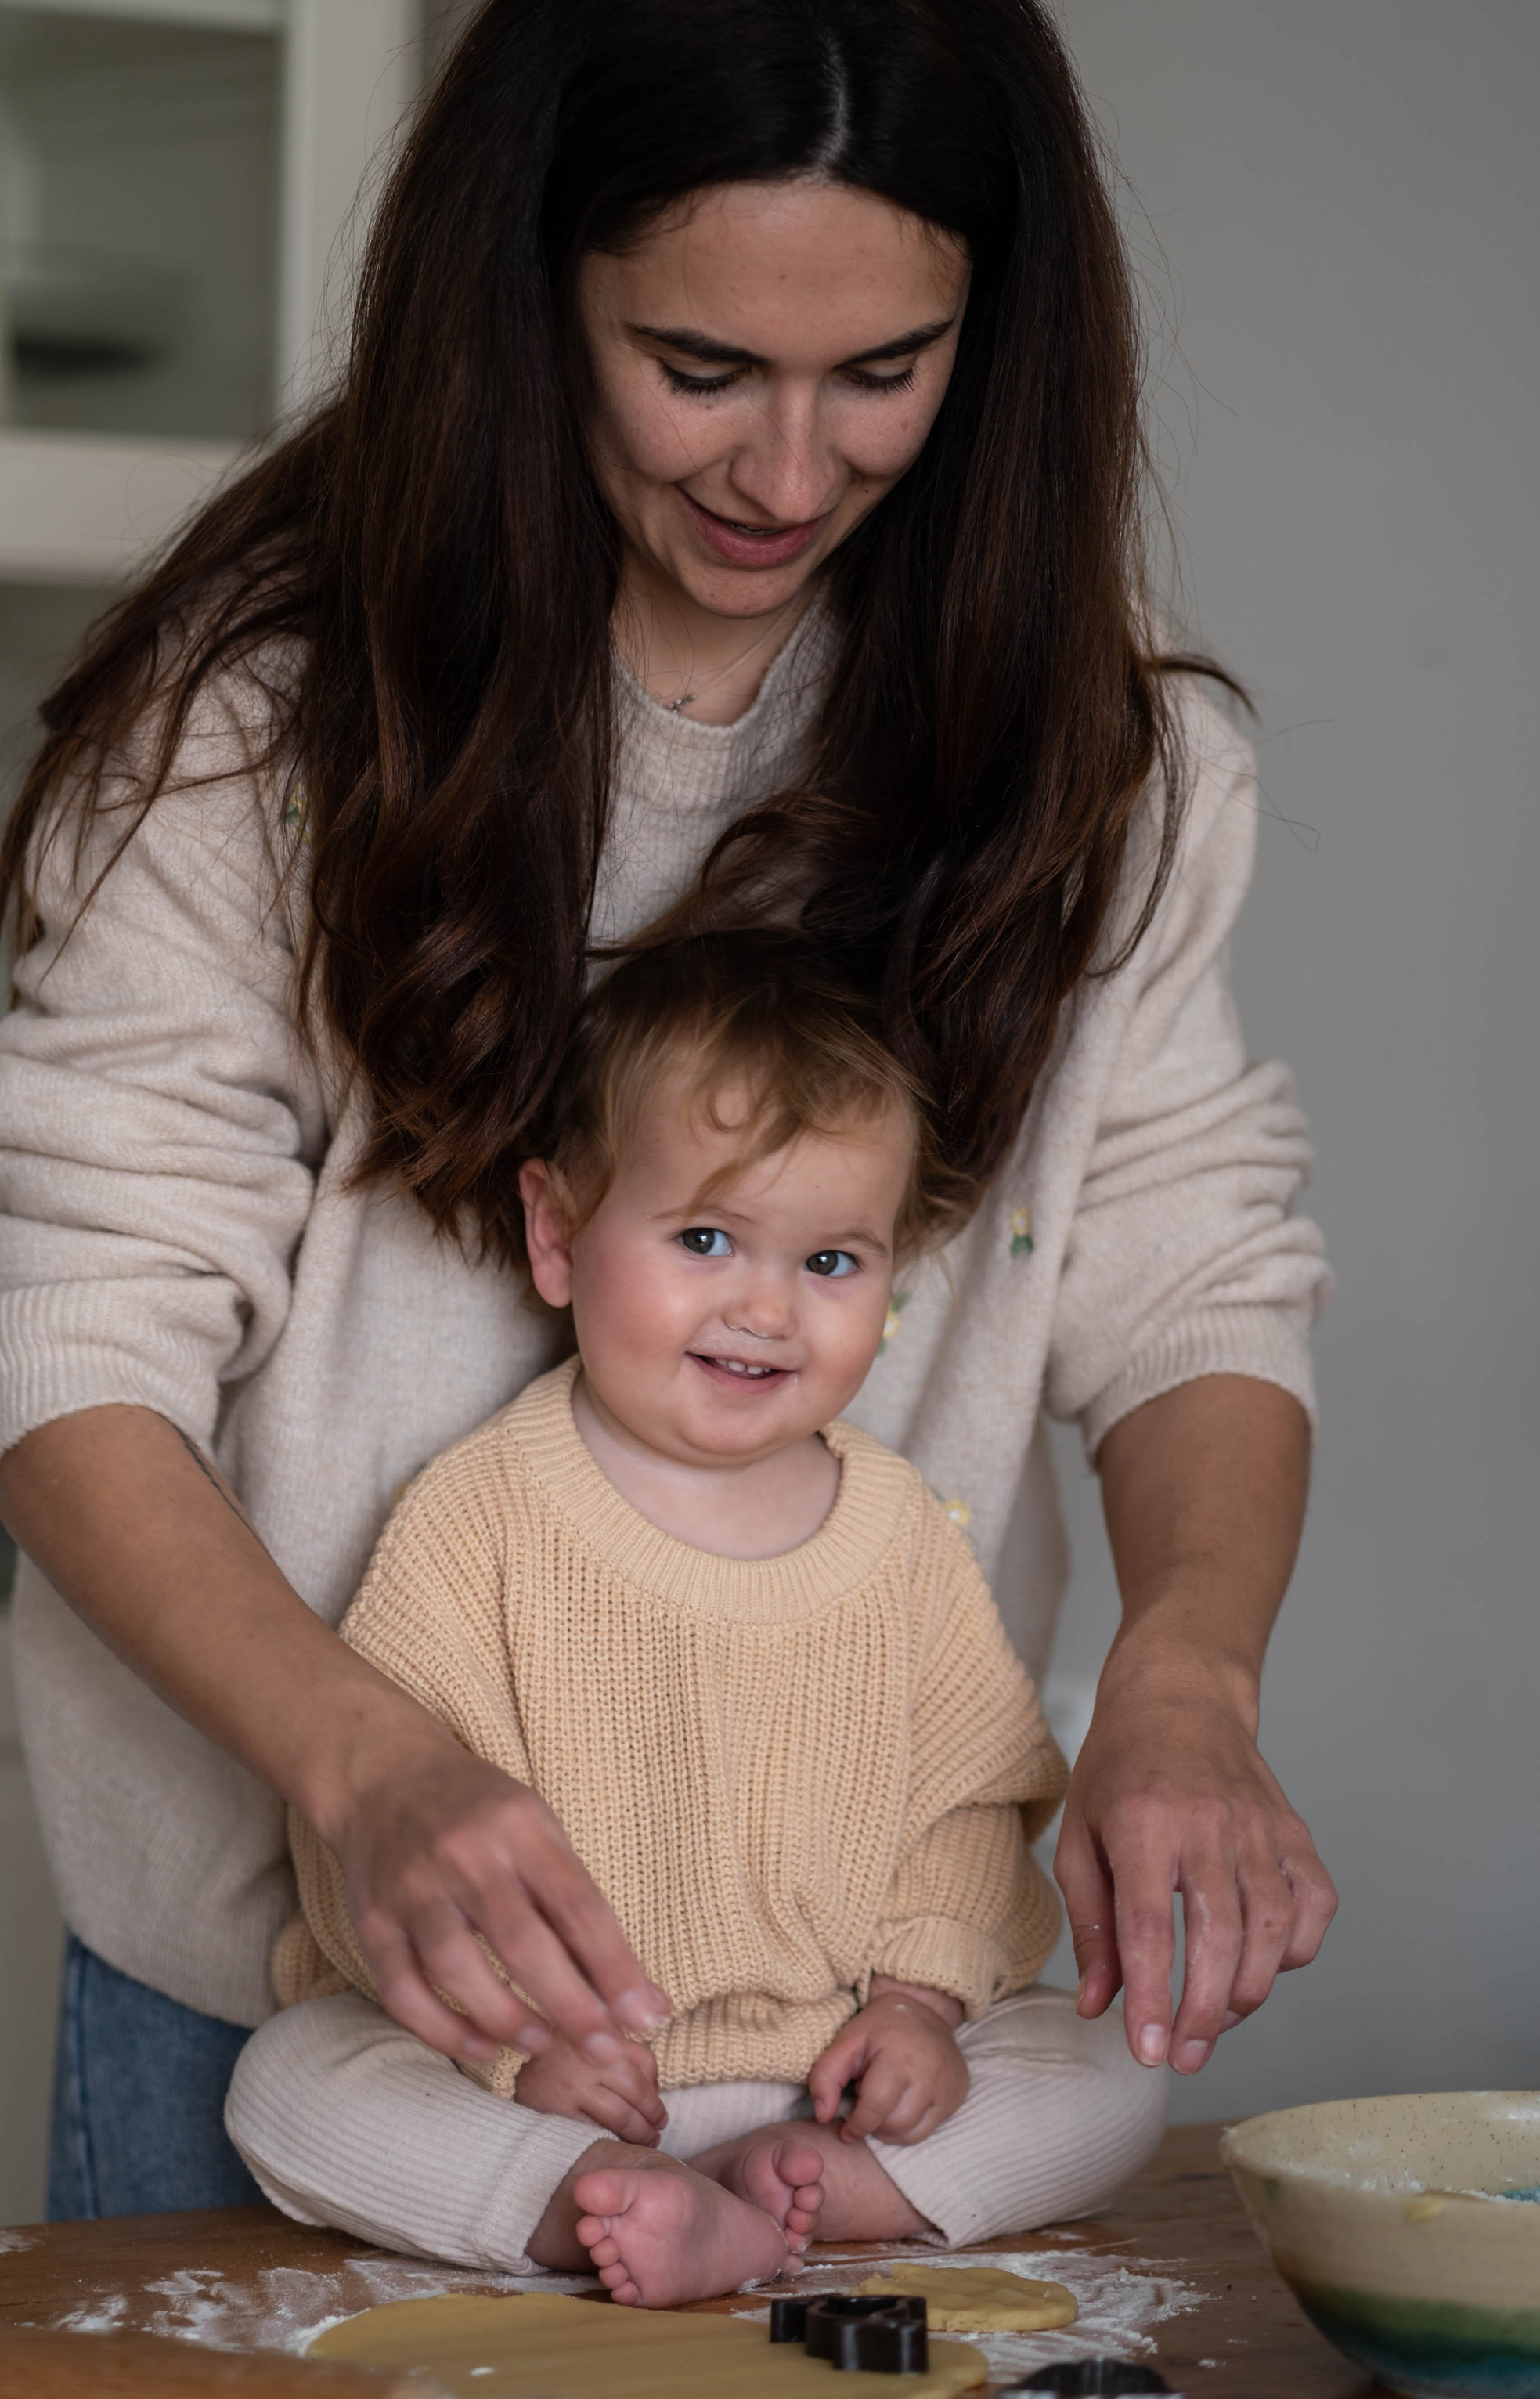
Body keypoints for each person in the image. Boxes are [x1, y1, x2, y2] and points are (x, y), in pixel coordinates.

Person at [0, 0, 1334, 2224]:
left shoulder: (1105, 768)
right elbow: (77, 1338)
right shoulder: (264, 726)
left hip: (835, 2027)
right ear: (527, 302)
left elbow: (1193, 1269)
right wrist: (362, 1779)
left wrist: (1189, 1674)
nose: (790, 475)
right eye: (700, 370)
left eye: (883, 375)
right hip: (292, 1976)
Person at [225, 940, 1167, 2303]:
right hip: (566, 2088)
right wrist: (517, 2053)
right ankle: (595, 2205)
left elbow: (970, 1805)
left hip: (831, 2069)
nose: (765, 1307)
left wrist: (920, 2005)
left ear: (892, 1285)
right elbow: (363, 1835)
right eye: (706, 1239)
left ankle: (828, 2195)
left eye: (832, 1259)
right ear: (557, 1235)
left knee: (1112, 2069)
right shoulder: (477, 1515)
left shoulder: (901, 1532)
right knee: (293, 2084)